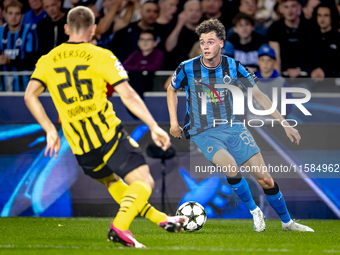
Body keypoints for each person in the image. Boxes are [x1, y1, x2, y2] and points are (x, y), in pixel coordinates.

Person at [24, 6, 186, 248]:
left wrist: (49, 130)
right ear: (93, 29)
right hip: (106, 133)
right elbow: (128, 95)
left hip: (78, 143)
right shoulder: (101, 56)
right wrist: (153, 125)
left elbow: (29, 96)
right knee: (144, 182)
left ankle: (161, 219)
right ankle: (119, 227)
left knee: (112, 181)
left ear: (67, 28)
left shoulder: (47, 60)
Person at [167, 18, 314, 232]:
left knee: (265, 179)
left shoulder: (234, 66)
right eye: (202, 42)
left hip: (233, 127)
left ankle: (287, 223)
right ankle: (256, 212)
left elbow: (259, 96)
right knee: (231, 167)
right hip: (203, 132)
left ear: (221, 44)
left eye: (210, 42)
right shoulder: (187, 68)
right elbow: (171, 89)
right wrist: (173, 123)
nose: (205, 47)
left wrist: (285, 124)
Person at [246, 43, 292, 123]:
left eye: (269, 60)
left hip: (274, 126)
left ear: (274, 62)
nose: (265, 63)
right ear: (258, 61)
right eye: (262, 60)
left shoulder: (282, 83)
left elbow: (288, 108)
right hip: (253, 125)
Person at [267, 0, 312, 78]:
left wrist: (299, 69)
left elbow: (312, 54)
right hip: (283, 74)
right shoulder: (274, 28)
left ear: (299, 7)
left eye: (293, 6)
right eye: (286, 7)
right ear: (281, 9)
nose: (290, 11)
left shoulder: (310, 27)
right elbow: (275, 57)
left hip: (306, 74)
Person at [0, 0, 38, 91]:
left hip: (24, 83)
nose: (13, 17)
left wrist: (9, 61)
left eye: (17, 14)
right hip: (3, 83)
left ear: (22, 16)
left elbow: (30, 61)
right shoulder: (0, 32)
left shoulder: (29, 33)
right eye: (10, 13)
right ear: (4, 15)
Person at [305, 3, 340, 82]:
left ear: (332, 17)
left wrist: (325, 71)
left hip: (334, 82)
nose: (322, 19)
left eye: (326, 15)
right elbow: (305, 61)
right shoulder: (311, 39)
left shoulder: (338, 39)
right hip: (312, 81)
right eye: (319, 15)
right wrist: (312, 71)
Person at [164, 0, 202, 70]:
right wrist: (180, 24)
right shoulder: (174, 27)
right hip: (177, 69)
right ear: (183, 12)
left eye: (197, 10)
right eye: (191, 10)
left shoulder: (205, 30)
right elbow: (169, 47)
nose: (194, 13)